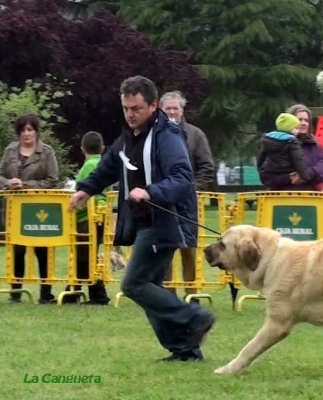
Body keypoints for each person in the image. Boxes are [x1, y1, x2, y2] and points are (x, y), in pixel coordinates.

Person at [69, 75, 215, 361]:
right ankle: (185, 349)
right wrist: (86, 189)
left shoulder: (167, 136)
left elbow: (183, 178)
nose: (130, 114)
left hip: (165, 221)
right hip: (143, 223)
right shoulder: (128, 138)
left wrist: (150, 192)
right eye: (125, 108)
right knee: (151, 288)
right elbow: (109, 166)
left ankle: (194, 317)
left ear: (153, 105)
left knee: (133, 284)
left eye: (135, 108)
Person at [159, 91, 216, 303]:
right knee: (165, 248)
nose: (172, 112)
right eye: (168, 109)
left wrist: (193, 188)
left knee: (188, 248)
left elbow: (207, 166)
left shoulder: (195, 135)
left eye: (176, 108)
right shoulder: (153, 134)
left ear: (182, 110)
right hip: (162, 199)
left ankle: (192, 292)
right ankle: (168, 293)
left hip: (187, 201)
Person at [0, 114, 59, 304]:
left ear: (36, 131)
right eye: (23, 130)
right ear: (18, 133)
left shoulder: (47, 152)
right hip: (14, 208)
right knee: (18, 250)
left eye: (30, 130)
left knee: (42, 251)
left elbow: (52, 180)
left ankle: (46, 294)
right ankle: (15, 293)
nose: (26, 134)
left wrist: (25, 184)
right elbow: (0, 175)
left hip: (39, 208)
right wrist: (9, 182)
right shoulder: (10, 150)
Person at [62, 131, 111, 305]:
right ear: (103, 148)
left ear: (82, 149)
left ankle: (92, 294)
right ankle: (77, 291)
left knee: (85, 255)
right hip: (97, 216)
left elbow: (91, 193)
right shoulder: (104, 163)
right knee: (85, 255)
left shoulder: (90, 165)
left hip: (88, 218)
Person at [258, 104, 323, 191]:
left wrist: (306, 175)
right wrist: (289, 178)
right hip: (281, 197)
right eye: (299, 120)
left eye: (306, 120)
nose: (303, 123)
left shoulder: (315, 146)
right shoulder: (275, 144)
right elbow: (266, 176)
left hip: (310, 197)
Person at [257, 112, 313, 188]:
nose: (298, 131)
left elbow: (261, 156)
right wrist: (305, 176)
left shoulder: (268, 139)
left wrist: (259, 168)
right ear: (290, 129)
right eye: (296, 128)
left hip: (271, 171)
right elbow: (298, 160)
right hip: (288, 171)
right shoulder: (292, 141)